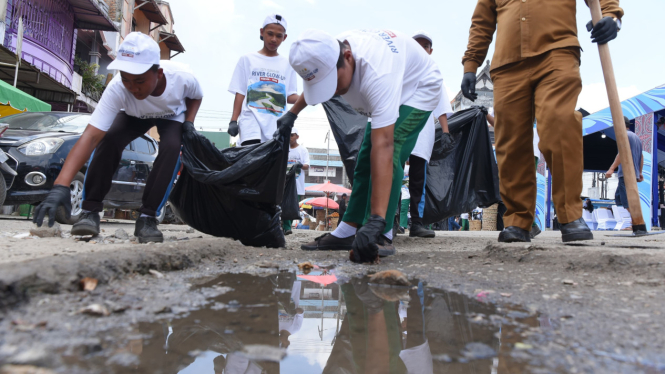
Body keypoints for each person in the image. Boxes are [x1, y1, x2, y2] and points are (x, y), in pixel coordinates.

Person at [461, 0, 623, 243]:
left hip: (556, 54)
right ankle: (518, 220)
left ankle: (569, 215)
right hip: (507, 65)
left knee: (560, 125)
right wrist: (471, 64)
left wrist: (612, 16)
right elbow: (482, 22)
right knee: (510, 142)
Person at [286, 29, 442, 263]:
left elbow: (386, 146)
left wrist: (375, 219)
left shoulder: (377, 74)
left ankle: (383, 230)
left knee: (394, 147)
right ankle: (348, 230)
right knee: (364, 159)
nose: (334, 92)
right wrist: (291, 115)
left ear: (348, 57)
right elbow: (315, 82)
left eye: (333, 82)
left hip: (419, 88)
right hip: (392, 83)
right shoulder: (330, 52)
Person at [32, 32, 203, 243]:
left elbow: (196, 97)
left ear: (158, 74)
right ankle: (90, 212)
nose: (133, 88)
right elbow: (91, 136)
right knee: (108, 139)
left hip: (172, 114)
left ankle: (147, 218)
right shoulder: (118, 89)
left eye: (139, 81)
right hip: (133, 115)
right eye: (126, 80)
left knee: (172, 148)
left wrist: (189, 122)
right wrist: (61, 185)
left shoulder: (182, 78)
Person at [409, 31, 454, 239]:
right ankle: (388, 221)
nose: (421, 49)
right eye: (417, 45)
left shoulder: (434, 73)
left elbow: (441, 106)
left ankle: (416, 223)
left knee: (418, 180)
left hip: (421, 134)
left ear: (431, 51)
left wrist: (445, 132)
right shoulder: (402, 68)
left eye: (425, 46)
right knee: (392, 175)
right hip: (398, 129)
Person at [227, 14, 299, 146]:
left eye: (279, 36)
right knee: (250, 160)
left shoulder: (288, 64)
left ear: (285, 37)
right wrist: (233, 120)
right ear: (262, 32)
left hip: (276, 123)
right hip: (251, 120)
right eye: (270, 34)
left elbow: (289, 96)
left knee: (271, 164)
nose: (273, 39)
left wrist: (309, 98)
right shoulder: (247, 59)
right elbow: (240, 92)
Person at [606, 117, 644, 216]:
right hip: (633, 173)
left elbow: (622, 153)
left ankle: (637, 221)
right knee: (619, 197)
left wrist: (611, 168)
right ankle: (631, 222)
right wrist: (639, 172)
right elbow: (641, 156)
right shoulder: (636, 137)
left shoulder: (624, 135)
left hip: (626, 173)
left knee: (625, 199)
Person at [283, 127, 310, 235]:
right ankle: (286, 227)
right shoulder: (284, 148)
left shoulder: (302, 150)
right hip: (284, 182)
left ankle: (287, 226)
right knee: (283, 203)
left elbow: (307, 166)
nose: (290, 137)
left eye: (292, 135)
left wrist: (300, 165)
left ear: (297, 137)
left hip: (297, 183)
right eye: (288, 135)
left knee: (292, 205)